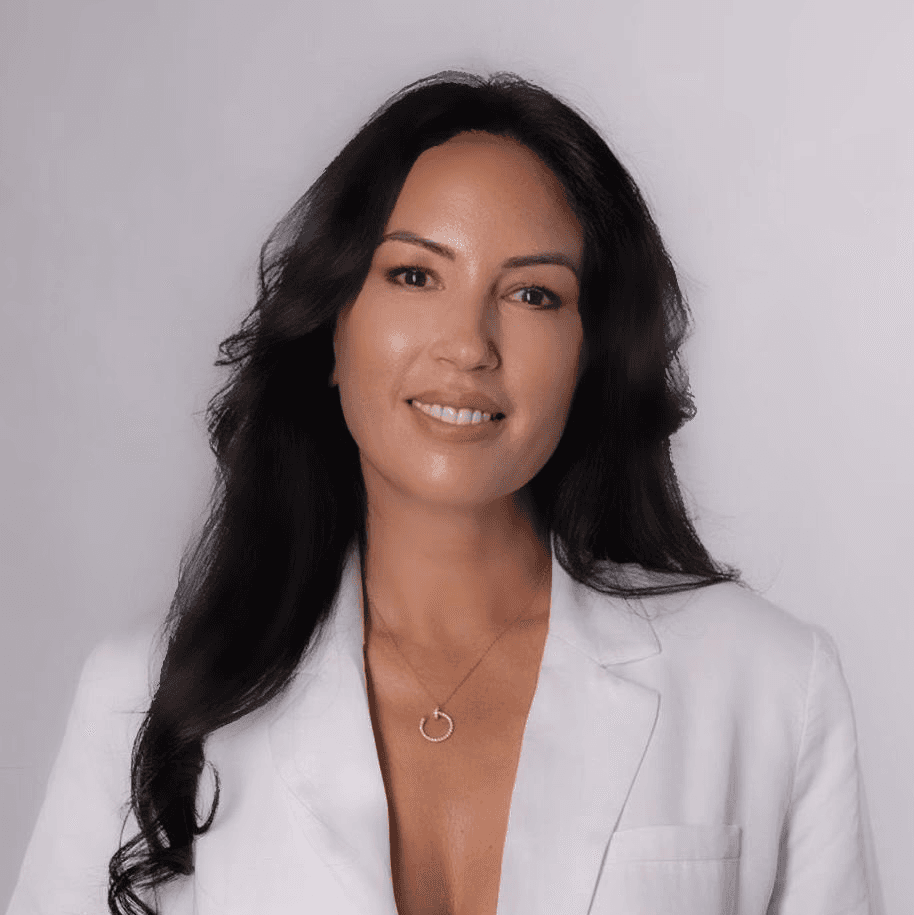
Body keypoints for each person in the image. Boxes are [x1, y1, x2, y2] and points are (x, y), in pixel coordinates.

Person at [7, 71, 882, 915]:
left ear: (590, 355)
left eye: (535, 292)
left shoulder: (767, 685)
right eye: (415, 275)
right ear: (331, 326)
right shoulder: (147, 694)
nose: (468, 344)